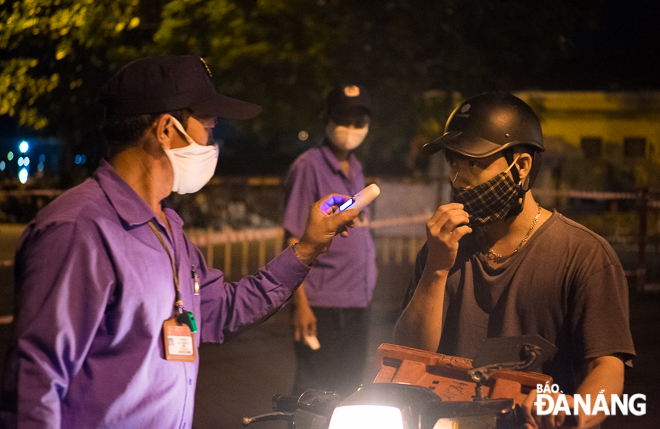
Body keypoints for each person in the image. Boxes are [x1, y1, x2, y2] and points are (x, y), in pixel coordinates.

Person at [0, 55, 359, 428]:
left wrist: (307, 249)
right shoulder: (78, 231)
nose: (211, 142)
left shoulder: (166, 226)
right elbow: (33, 385)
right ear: (167, 130)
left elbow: (220, 312)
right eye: (208, 127)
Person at [393, 92, 635, 428]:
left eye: (474, 163)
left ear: (520, 166)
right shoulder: (443, 248)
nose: (458, 179)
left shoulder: (584, 255)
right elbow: (408, 356)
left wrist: (571, 412)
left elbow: (606, 368)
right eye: (454, 162)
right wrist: (435, 269)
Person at [283, 85, 377, 397]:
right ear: (326, 118)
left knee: (350, 393)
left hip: (357, 304)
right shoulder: (308, 166)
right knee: (313, 397)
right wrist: (301, 306)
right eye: (344, 118)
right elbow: (292, 238)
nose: (351, 128)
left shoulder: (358, 168)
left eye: (359, 119)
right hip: (323, 306)